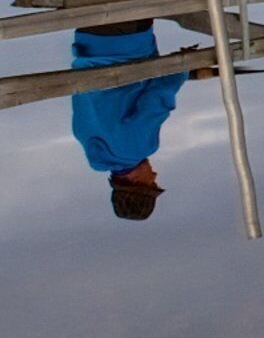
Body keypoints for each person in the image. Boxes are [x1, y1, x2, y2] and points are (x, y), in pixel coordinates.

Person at [69, 19, 182, 220]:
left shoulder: (137, 149)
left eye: (152, 183)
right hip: (88, 38)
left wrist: (183, 68)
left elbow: (157, 101)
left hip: (126, 40)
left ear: (137, 182)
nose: (155, 176)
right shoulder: (88, 142)